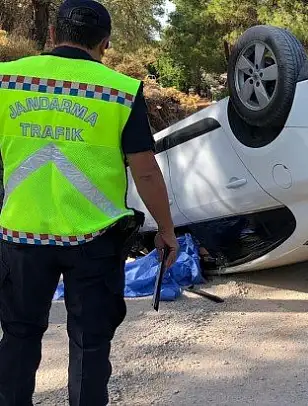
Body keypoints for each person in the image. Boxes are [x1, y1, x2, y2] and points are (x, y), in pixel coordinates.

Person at [0, 1, 178, 404]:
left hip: (22, 237)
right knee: (90, 343)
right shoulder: (119, 91)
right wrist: (166, 231)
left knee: (19, 336)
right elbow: (146, 172)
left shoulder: (7, 80)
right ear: (105, 43)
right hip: (94, 242)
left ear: (52, 35)